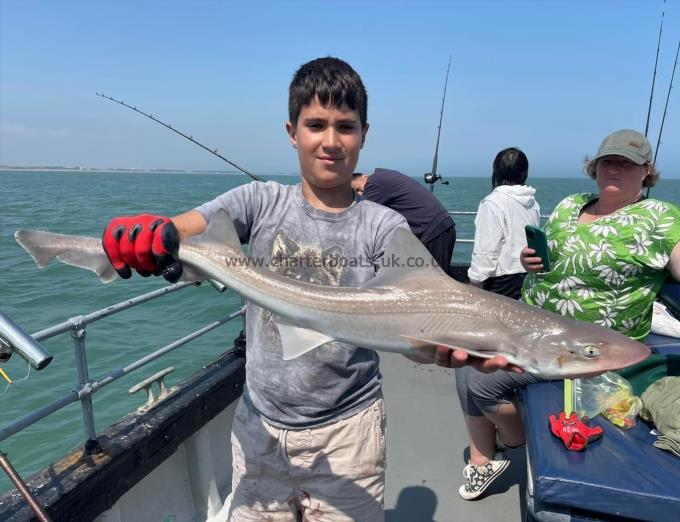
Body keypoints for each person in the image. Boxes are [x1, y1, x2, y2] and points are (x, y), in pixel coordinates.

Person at [100, 57, 511, 521]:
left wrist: (438, 347)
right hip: (259, 428)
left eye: (345, 127)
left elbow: (415, 334)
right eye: (316, 125)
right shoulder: (258, 202)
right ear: (292, 131)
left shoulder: (384, 227)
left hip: (349, 434)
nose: (331, 142)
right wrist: (153, 232)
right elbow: (184, 230)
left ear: (364, 134)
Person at [455, 129, 680, 501]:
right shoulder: (570, 203)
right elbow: (547, 258)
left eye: (628, 163)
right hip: (532, 322)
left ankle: (512, 440)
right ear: (595, 167)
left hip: (588, 346)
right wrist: (531, 262)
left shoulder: (661, 217)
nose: (615, 169)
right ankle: (483, 459)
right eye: (609, 161)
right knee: (463, 351)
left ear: (646, 172)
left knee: (478, 378)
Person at [467, 147, 540, 299]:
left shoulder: (493, 203)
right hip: (527, 278)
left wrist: (474, 284)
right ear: (524, 173)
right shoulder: (533, 203)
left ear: (496, 172)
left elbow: (486, 251)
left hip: (500, 282)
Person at [351, 169, 456, 272]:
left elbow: (361, 214)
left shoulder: (374, 181)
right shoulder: (386, 177)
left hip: (435, 232)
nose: (360, 194)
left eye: (357, 189)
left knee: (435, 282)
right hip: (436, 229)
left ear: (364, 177)